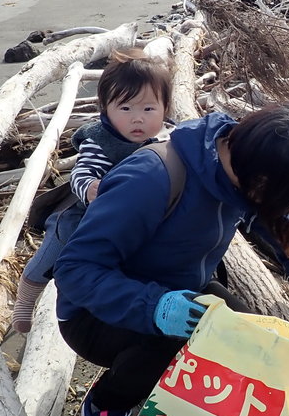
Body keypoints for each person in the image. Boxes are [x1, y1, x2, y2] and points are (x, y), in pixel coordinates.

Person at [53, 101, 289, 416]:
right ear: (261, 182)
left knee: (250, 337)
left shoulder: (245, 164)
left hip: (179, 286)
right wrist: (156, 308)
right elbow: (75, 268)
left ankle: (169, 385)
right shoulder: (152, 178)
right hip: (93, 312)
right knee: (183, 339)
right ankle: (107, 406)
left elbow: (265, 216)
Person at [11, 50, 172, 333]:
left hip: (133, 217)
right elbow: (81, 174)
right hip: (85, 214)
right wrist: (92, 188)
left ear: (165, 108)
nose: (137, 119)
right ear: (105, 109)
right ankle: (28, 293)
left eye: (148, 109)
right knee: (56, 251)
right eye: (125, 109)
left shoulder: (165, 139)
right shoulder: (100, 141)